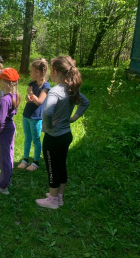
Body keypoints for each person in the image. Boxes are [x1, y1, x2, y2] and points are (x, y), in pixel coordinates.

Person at [36, 56, 90, 209]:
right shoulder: (71, 89)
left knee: (52, 167)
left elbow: (47, 112)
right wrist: (73, 118)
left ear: (54, 71)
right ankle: (59, 196)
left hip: (53, 138)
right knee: (61, 165)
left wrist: (48, 125)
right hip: (66, 136)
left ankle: (52, 201)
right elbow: (85, 103)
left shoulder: (55, 91)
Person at [0, 68, 21, 195]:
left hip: (3, 132)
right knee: (9, 156)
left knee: (4, 158)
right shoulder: (15, 95)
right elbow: (10, 113)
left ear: (5, 83)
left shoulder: (4, 99)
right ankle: (6, 178)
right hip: (10, 128)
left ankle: (2, 186)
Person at [18, 59, 51, 171]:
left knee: (36, 139)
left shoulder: (46, 86)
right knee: (27, 138)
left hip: (36, 117)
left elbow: (39, 101)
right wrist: (28, 97)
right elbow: (29, 99)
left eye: (31, 71)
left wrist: (31, 93)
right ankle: (25, 160)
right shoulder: (32, 84)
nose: (30, 73)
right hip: (26, 115)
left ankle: (35, 162)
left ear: (37, 72)